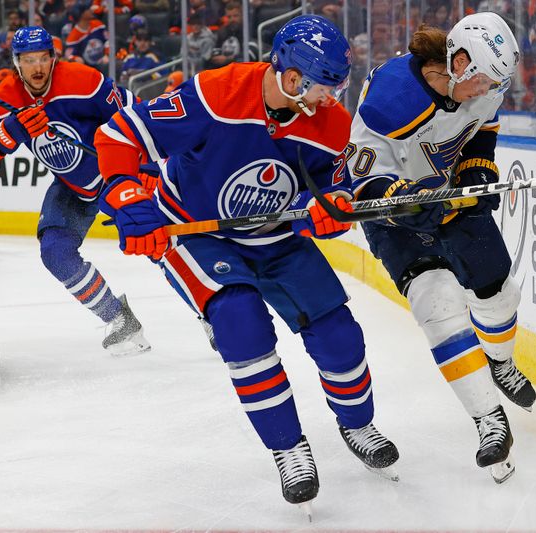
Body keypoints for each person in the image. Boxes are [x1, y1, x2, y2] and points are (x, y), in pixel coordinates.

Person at [92, 15, 399, 514]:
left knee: (338, 333)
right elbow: (119, 135)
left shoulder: (331, 123)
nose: (332, 98)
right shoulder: (216, 94)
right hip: (201, 234)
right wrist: (129, 200)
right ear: (294, 78)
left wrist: (334, 205)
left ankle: (357, 423)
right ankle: (288, 448)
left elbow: (336, 183)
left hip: (275, 236)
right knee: (240, 322)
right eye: (326, 87)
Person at [346, 13, 535, 484]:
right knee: (437, 304)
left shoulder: (483, 82)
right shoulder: (391, 100)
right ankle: (488, 420)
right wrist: (402, 206)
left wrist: (477, 167)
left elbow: (484, 125)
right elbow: (361, 184)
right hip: (397, 219)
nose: (489, 90)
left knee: (497, 294)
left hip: (453, 199)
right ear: (459, 62)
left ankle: (501, 361)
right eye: (485, 81)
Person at [0, 26, 150, 356]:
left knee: (161, 241)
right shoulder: (4, 99)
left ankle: (212, 313)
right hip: (72, 188)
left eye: (44, 58)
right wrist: (7, 134)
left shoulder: (84, 81)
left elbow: (140, 116)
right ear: (16, 63)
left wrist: (149, 168)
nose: (38, 68)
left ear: (54, 58)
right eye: (28, 60)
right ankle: (119, 320)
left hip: (117, 176)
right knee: (55, 252)